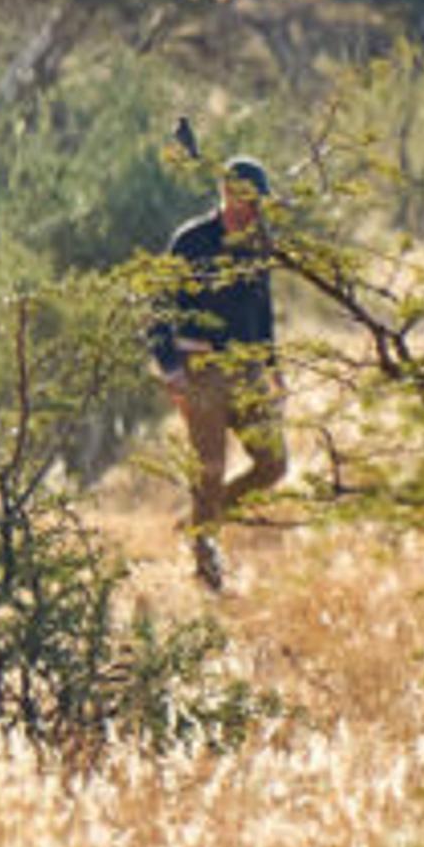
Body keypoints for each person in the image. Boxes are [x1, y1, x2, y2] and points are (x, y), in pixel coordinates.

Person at [149, 153, 286, 592]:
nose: (253, 207)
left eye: (258, 200)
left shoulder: (259, 242)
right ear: (226, 193)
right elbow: (160, 310)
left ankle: (200, 521)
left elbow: (263, 312)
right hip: (202, 370)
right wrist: (172, 371)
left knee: (274, 463)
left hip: (246, 371)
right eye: (246, 197)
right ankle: (206, 568)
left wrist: (273, 370)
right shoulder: (190, 240)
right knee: (208, 468)